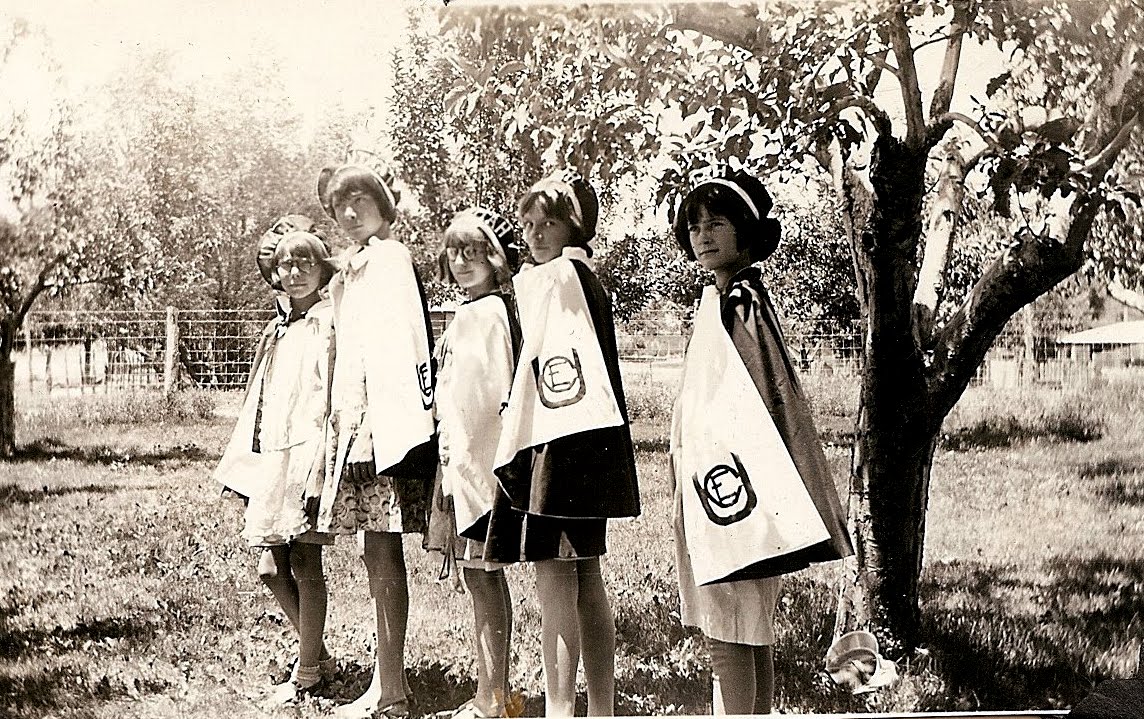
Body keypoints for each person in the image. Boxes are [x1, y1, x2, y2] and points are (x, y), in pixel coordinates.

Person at [668, 166, 854, 714]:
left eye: (716, 224)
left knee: (728, 629)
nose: (703, 235)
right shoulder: (718, 300)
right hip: (719, 483)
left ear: (745, 233)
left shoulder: (741, 305)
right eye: (694, 226)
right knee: (746, 628)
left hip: (733, 492)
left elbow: (759, 403)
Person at [493, 170, 641, 717]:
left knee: (555, 583)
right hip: (587, 451)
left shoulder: (559, 279)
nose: (534, 234)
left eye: (548, 223)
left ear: (574, 226)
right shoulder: (583, 276)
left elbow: (553, 379)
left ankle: (559, 708)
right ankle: (601, 707)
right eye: (528, 224)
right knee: (585, 577)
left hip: (560, 453)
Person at [314, 164, 437, 719]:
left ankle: (391, 690)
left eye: (360, 199)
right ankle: (386, 681)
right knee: (374, 550)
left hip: (380, 430)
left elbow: (397, 350)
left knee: (382, 551)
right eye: (339, 205)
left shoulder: (389, 260)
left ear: (383, 204)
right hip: (357, 425)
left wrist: (369, 436)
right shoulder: (357, 268)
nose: (348, 212)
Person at [213, 215, 338, 705]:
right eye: (286, 266)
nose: (296, 273)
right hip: (275, 454)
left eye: (306, 264)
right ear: (275, 274)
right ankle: (319, 655)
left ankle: (307, 673)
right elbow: (259, 403)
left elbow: (330, 393)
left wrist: (322, 458)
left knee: (306, 559)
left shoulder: (329, 322)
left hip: (309, 451)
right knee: (270, 567)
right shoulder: (279, 330)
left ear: (323, 269)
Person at [423, 207, 524, 719]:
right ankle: (491, 691)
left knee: (484, 577)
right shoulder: (468, 312)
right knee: (477, 577)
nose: (463, 262)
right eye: (455, 252)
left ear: (496, 259)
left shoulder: (491, 314)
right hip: (460, 462)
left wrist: (470, 468)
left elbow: (494, 399)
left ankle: (493, 697)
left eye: (475, 252)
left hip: (482, 468)